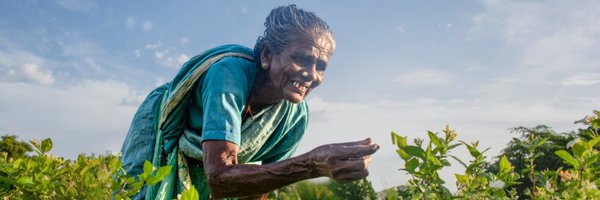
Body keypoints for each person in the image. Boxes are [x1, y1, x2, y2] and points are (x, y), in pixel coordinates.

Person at [119, 4, 379, 199]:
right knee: (138, 191)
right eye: (302, 59)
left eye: (321, 66)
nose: (311, 75)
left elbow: (264, 180)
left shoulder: (296, 116)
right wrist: (312, 164)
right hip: (159, 134)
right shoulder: (229, 74)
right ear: (267, 54)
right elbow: (220, 178)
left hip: (210, 168)